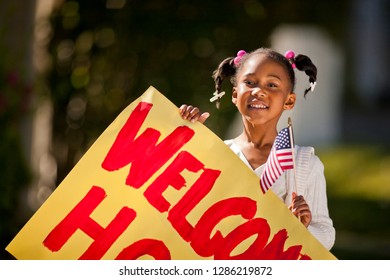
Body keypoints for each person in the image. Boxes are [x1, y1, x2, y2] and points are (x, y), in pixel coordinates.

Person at [179, 47, 335, 250]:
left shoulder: (304, 164)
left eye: (272, 84)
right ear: (235, 95)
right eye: (250, 83)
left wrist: (302, 229)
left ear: (289, 101)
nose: (259, 91)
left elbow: (326, 236)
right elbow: (182, 209)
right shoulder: (218, 155)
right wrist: (183, 138)